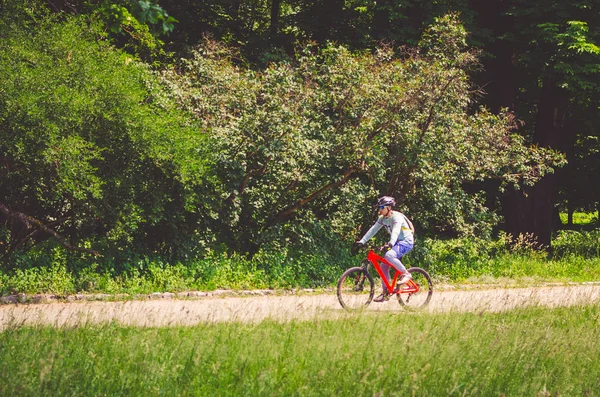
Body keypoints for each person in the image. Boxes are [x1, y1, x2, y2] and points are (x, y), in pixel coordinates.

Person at [354, 196, 414, 302]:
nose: (380, 209)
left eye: (382, 207)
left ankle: (406, 274)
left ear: (389, 208)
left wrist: (391, 243)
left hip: (406, 241)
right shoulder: (382, 218)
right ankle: (385, 293)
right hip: (397, 243)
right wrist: (362, 241)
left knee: (389, 255)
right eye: (379, 207)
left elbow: (395, 231)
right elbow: (373, 230)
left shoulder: (396, 217)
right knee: (383, 266)